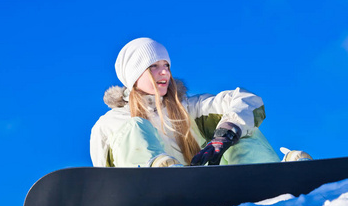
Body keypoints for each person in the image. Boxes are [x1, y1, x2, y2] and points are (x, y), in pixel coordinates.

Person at [90, 37, 304, 168]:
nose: (165, 71)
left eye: (166, 65)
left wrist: (226, 133)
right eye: (154, 66)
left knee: (239, 128)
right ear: (134, 75)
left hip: (207, 187)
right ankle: (158, 172)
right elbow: (104, 178)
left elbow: (247, 100)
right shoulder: (111, 123)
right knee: (134, 127)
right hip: (145, 192)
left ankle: (268, 173)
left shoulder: (189, 109)